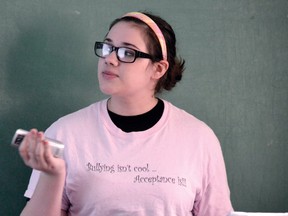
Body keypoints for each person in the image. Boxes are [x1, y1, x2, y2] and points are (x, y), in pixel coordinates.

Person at [19, 11, 233, 216]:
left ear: (158, 69)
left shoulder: (199, 139)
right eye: (107, 47)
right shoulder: (65, 133)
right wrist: (51, 175)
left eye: (127, 52)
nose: (110, 59)